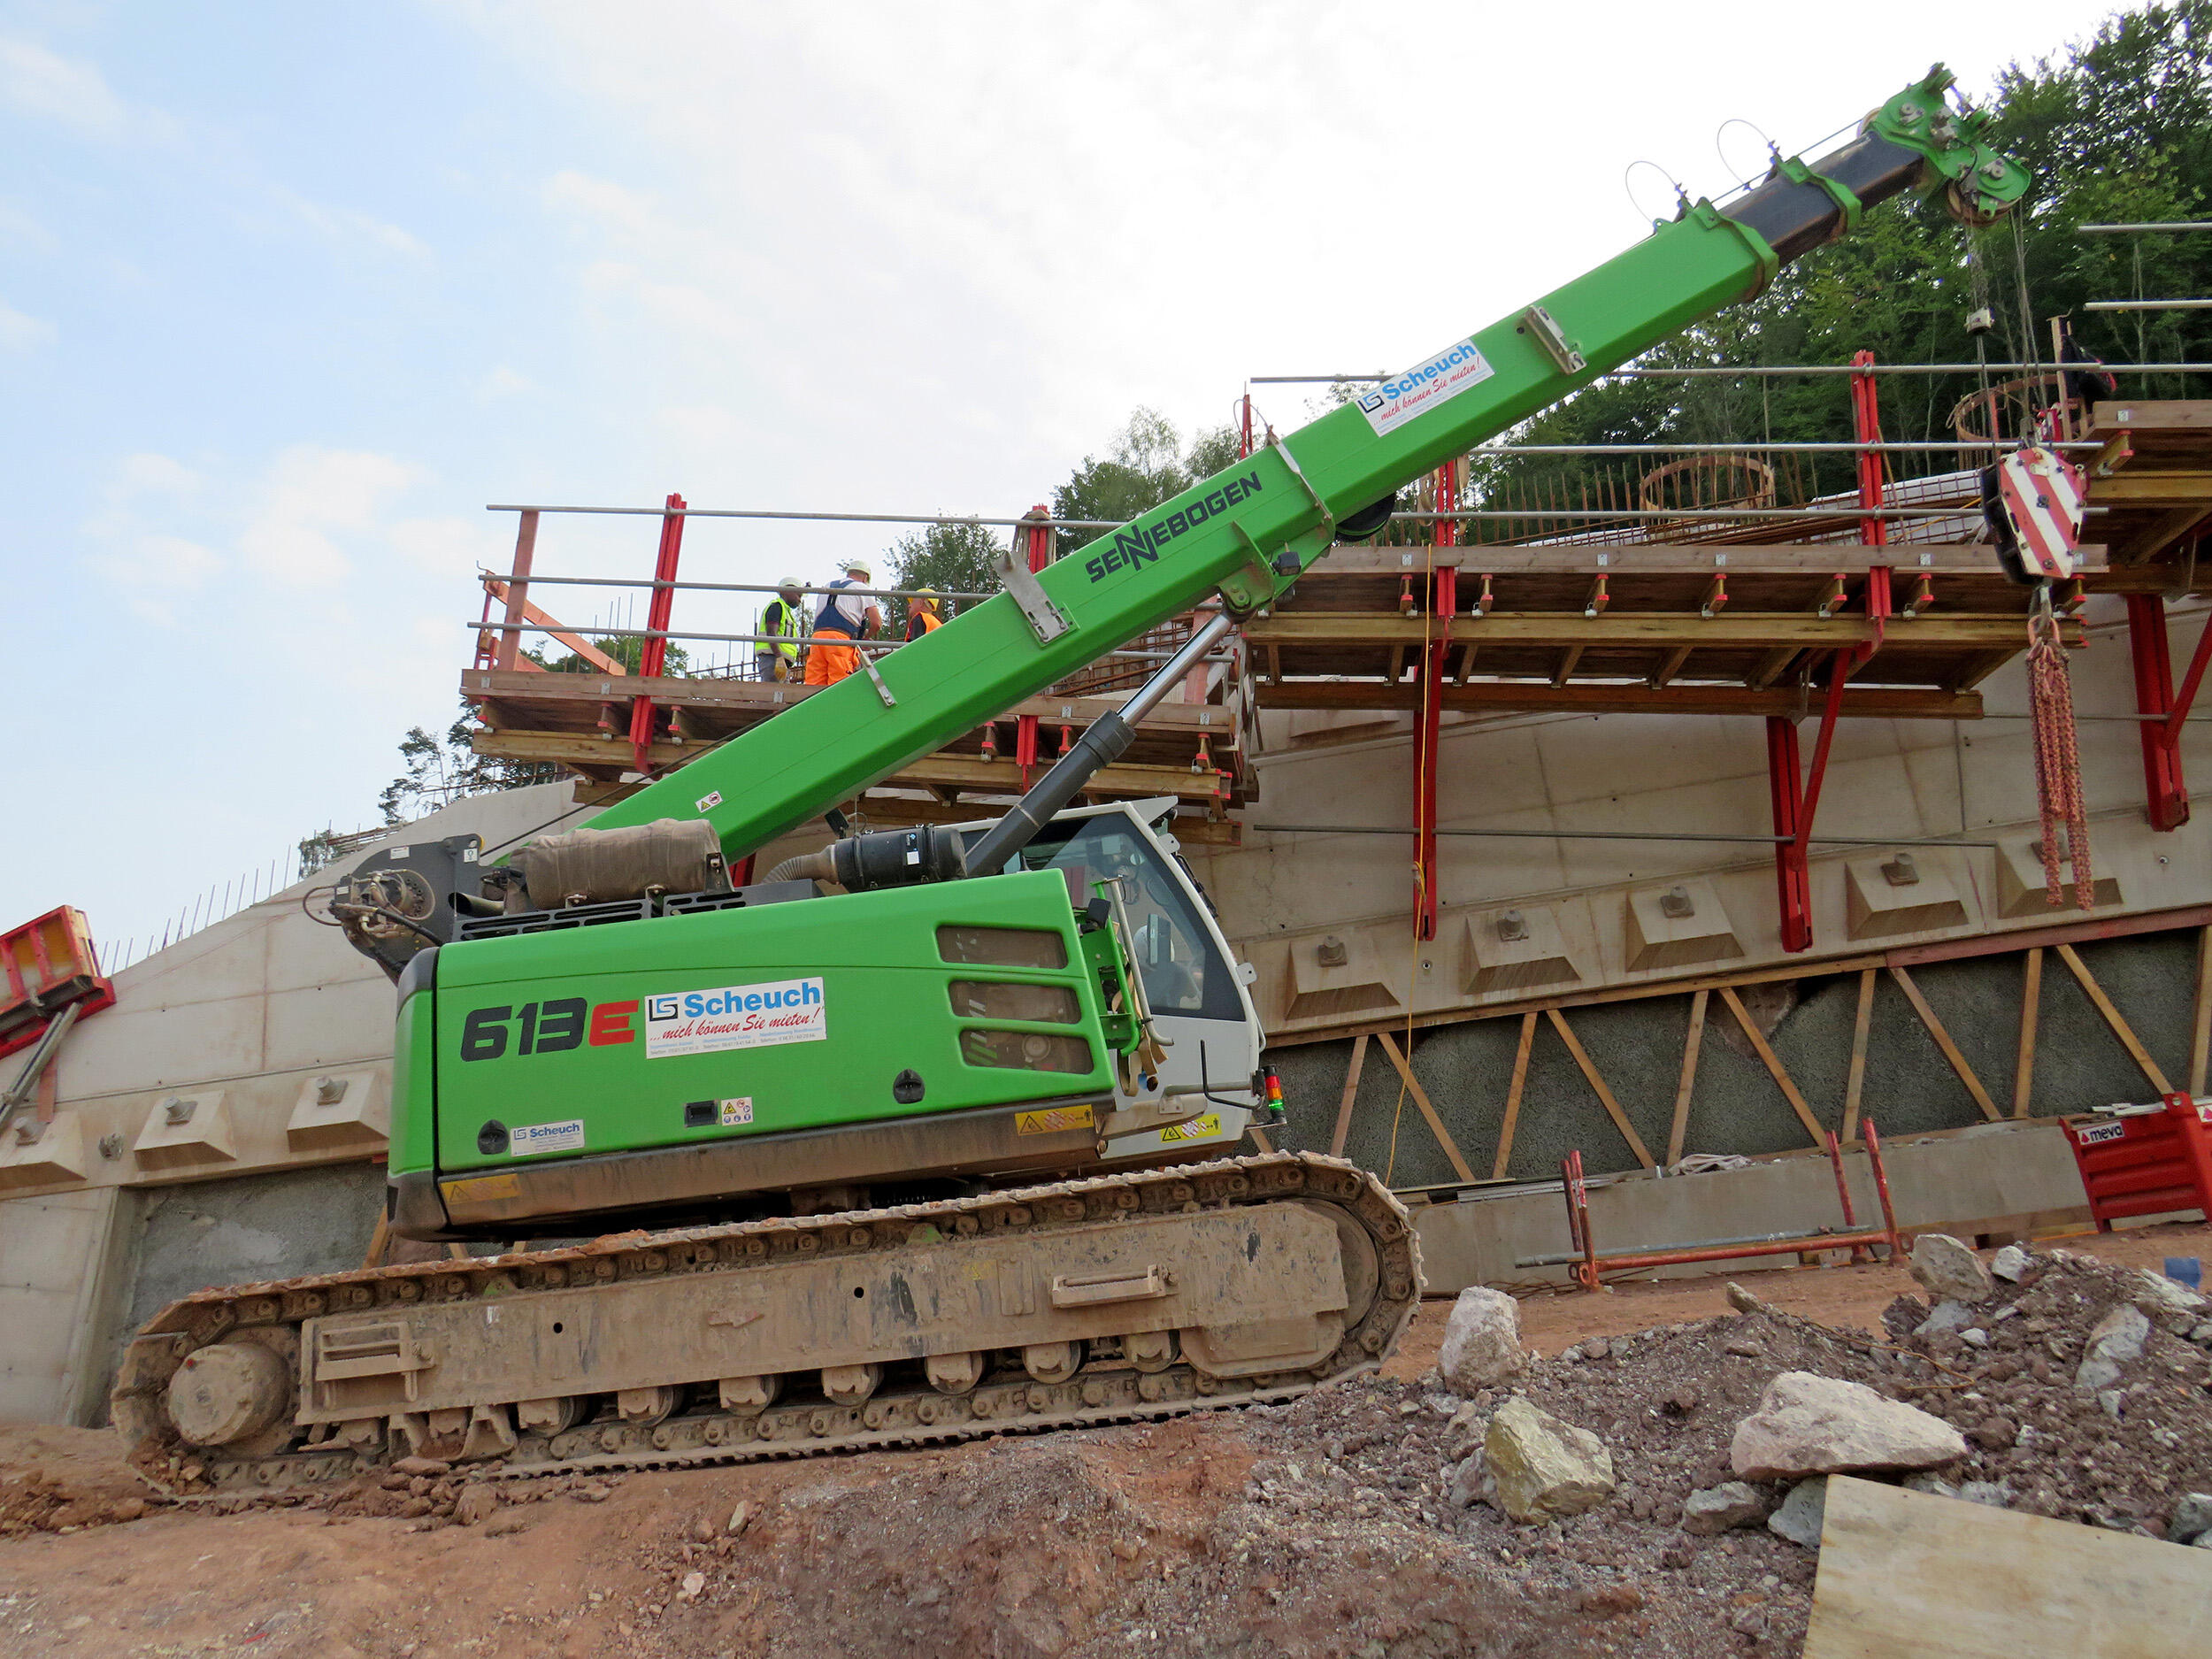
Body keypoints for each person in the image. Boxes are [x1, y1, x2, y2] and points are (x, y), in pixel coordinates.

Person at [803, 558, 884, 687]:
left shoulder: (827, 586)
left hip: (817, 639)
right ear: (865, 578)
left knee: (814, 685)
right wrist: (865, 639)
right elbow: (876, 623)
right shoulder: (862, 588)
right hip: (840, 641)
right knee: (839, 684)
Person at [755, 577, 807, 683]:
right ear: (787, 591)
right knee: (772, 692)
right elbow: (771, 634)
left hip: (780, 661)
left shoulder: (786, 612)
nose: (800, 600)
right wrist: (779, 658)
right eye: (799, 595)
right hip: (773, 659)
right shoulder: (777, 607)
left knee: (780, 693)